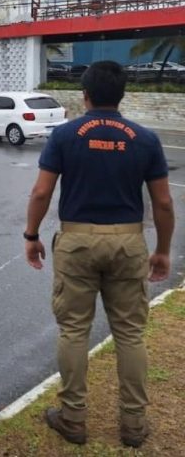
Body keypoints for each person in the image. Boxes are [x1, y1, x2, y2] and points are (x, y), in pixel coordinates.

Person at [23, 61, 175, 448]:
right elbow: (163, 203)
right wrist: (162, 250)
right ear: (122, 95)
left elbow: (41, 192)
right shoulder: (145, 139)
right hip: (128, 242)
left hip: (77, 241)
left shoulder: (65, 135)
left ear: (85, 95)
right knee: (130, 333)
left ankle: (72, 418)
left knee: (74, 330)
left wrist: (31, 235)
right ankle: (134, 424)